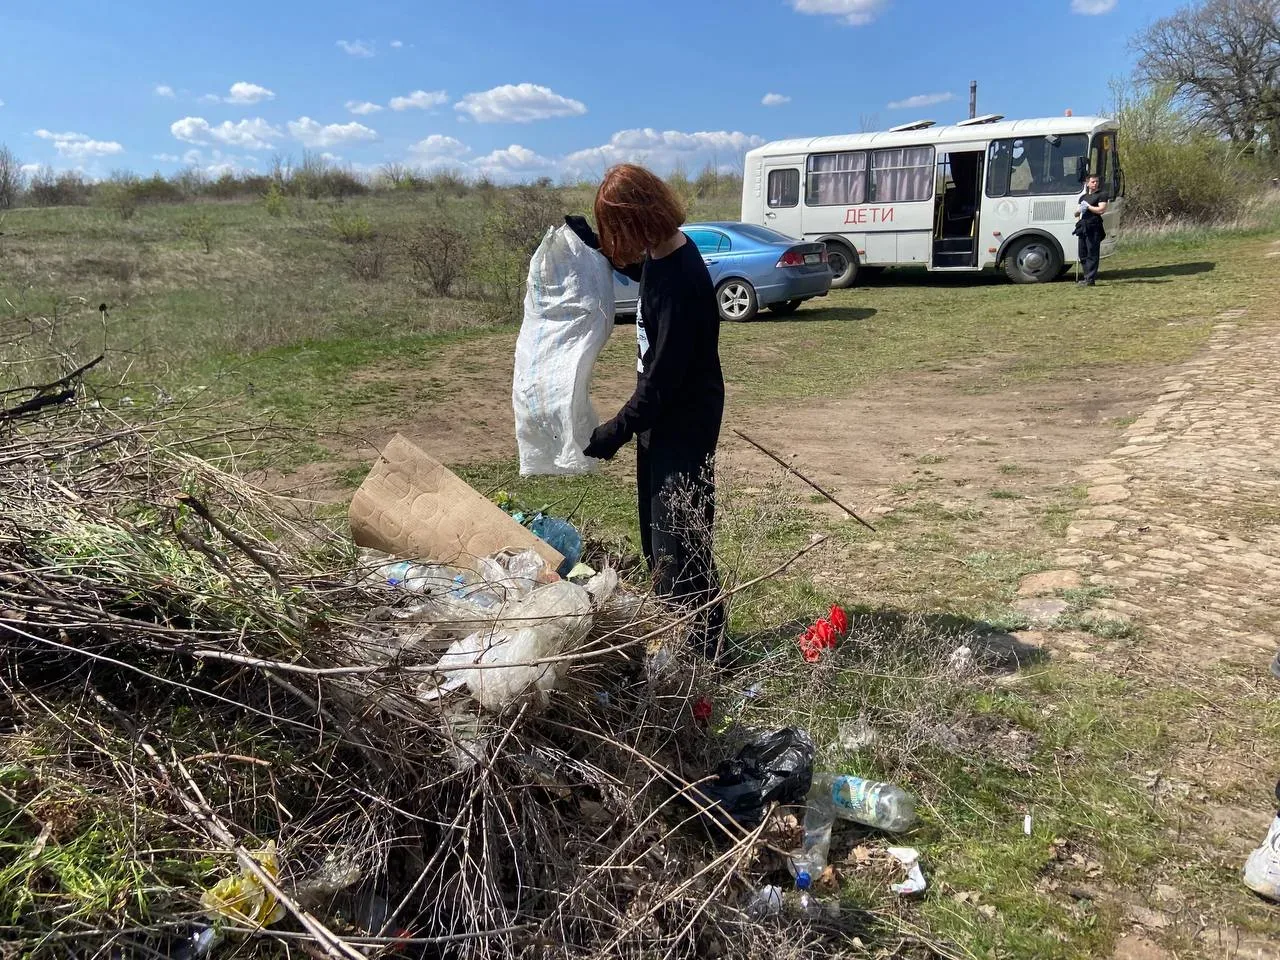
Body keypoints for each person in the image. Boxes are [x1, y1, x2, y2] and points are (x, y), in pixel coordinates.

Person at [565, 163, 727, 659]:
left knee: (679, 544)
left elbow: (660, 383)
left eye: (619, 229)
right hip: (661, 420)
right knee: (659, 538)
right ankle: (691, 642)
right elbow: (643, 274)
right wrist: (595, 243)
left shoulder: (682, 280)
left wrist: (613, 432)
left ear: (641, 219)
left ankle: (704, 655)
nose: (620, 241)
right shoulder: (662, 254)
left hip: (683, 422)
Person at [1074, 173, 1109, 286]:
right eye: (1093, 182)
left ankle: (1090, 279)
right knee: (1082, 253)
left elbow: (1101, 210)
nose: (1095, 184)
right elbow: (1076, 213)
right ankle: (1086, 277)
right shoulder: (1083, 197)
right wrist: (1079, 212)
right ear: (1087, 183)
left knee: (1092, 252)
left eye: (1097, 181)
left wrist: (1088, 207)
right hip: (1083, 226)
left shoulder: (1102, 195)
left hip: (1094, 226)